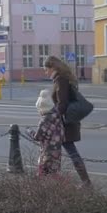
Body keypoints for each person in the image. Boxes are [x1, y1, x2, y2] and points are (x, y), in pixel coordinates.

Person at [43, 55, 92, 187]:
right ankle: (84, 182)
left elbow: (62, 104)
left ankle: (86, 183)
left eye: (46, 69)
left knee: (69, 151)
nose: (45, 72)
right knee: (60, 150)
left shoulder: (60, 80)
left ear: (52, 67)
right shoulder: (64, 78)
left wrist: (51, 117)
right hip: (68, 121)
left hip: (65, 123)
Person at [27, 89, 64, 177]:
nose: (39, 112)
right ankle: (56, 189)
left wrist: (29, 131)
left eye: (39, 110)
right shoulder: (57, 116)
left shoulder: (44, 120)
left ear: (42, 108)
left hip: (47, 151)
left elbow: (38, 137)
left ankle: (43, 189)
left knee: (42, 173)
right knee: (54, 174)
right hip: (57, 150)